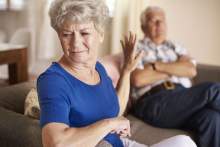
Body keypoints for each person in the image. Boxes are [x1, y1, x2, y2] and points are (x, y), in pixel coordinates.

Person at [37, 1, 197, 147]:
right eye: (67, 34)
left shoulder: (98, 68)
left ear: (101, 34)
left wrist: (126, 71)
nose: (76, 43)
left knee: (185, 142)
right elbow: (55, 143)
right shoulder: (53, 80)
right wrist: (109, 124)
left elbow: (115, 110)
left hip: (123, 143)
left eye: (84, 33)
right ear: (59, 35)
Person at [130, 6, 220, 147]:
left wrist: (154, 65)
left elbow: (191, 70)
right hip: (154, 102)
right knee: (213, 89)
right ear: (143, 27)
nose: (159, 24)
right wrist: (175, 67)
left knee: (212, 118)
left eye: (162, 20)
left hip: (183, 99)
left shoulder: (175, 46)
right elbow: (139, 79)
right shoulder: (135, 48)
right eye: (153, 20)